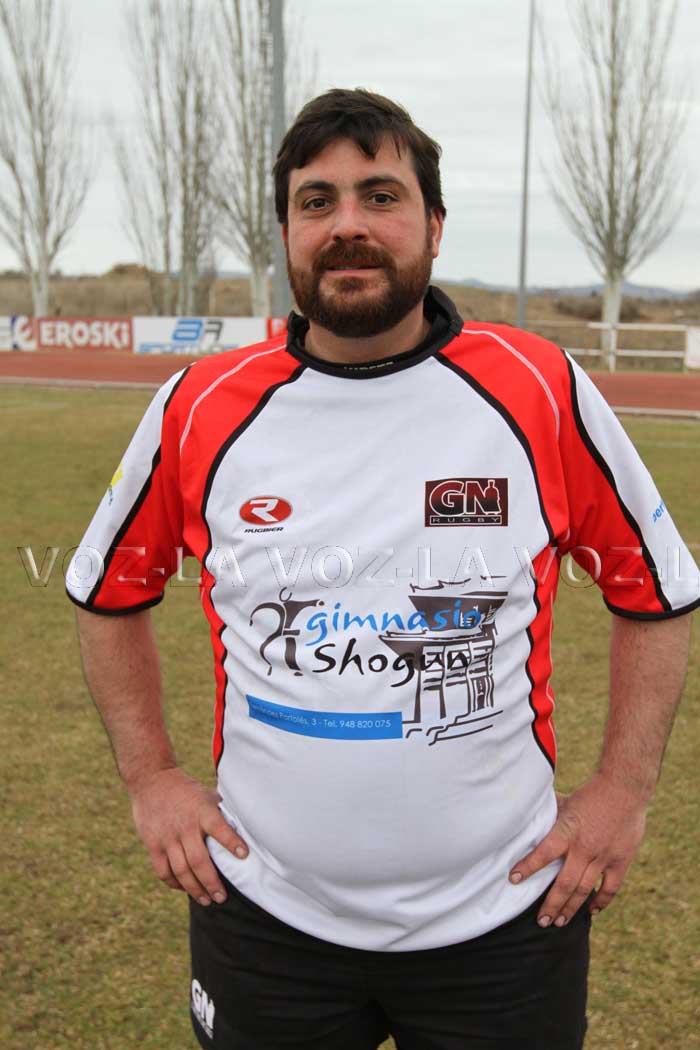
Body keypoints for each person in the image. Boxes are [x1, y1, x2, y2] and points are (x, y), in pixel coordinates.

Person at [67, 88, 699, 1050]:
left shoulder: (537, 387)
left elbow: (655, 591)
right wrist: (152, 775)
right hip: (264, 920)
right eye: (316, 201)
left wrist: (623, 793)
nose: (347, 225)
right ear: (286, 232)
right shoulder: (201, 404)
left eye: (381, 195)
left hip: (507, 918)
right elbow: (108, 591)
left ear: (435, 226)